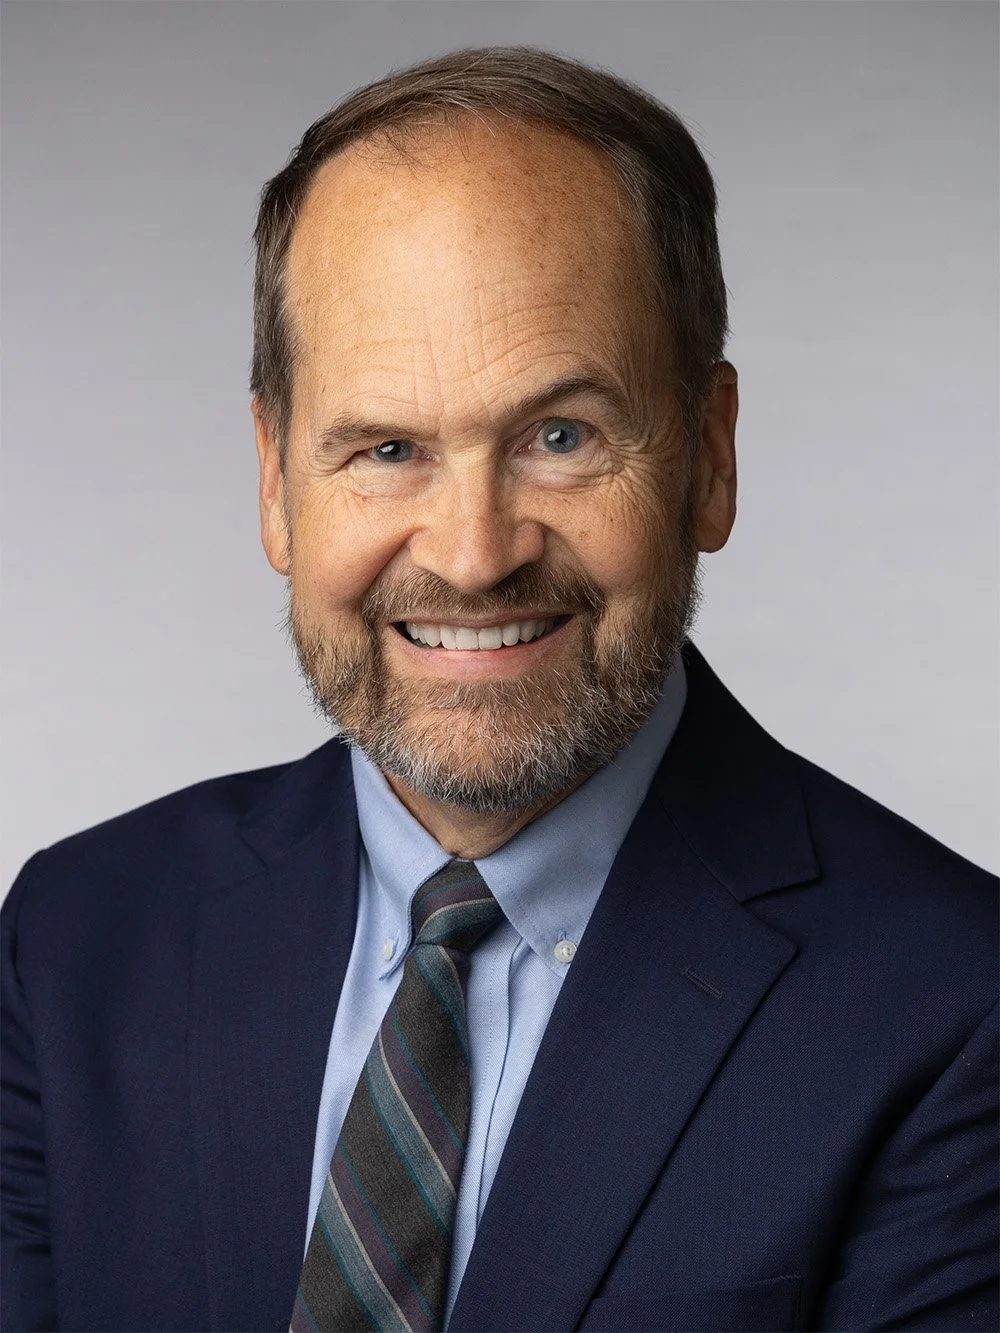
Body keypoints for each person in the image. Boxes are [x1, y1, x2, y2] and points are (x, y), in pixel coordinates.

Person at [2, 45, 996, 1333]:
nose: (473, 555)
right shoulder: (76, 942)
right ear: (273, 482)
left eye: (560, 437)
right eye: (387, 448)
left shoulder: (955, 1009)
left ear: (708, 458)